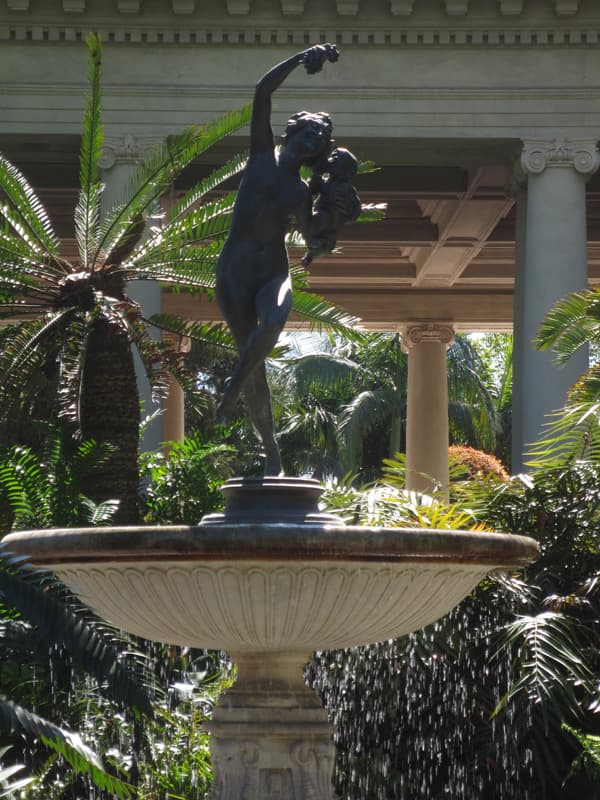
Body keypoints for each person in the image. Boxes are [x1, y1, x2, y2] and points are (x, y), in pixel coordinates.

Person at [216, 44, 339, 475]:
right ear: (293, 132)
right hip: (235, 273)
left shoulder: (301, 193)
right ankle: (271, 452)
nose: (313, 143)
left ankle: (230, 390)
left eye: (319, 141)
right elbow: (262, 91)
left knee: (271, 325)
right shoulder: (259, 155)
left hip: (273, 271)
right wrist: (301, 57)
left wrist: (323, 238)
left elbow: (311, 238)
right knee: (256, 367)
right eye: (309, 134)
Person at [302, 146, 361, 267]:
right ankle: (310, 251)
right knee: (320, 221)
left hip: (332, 225)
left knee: (327, 243)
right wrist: (315, 178)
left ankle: (310, 254)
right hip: (322, 217)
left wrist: (349, 213)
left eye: (335, 158)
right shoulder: (326, 182)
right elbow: (312, 190)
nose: (331, 161)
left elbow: (356, 209)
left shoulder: (347, 188)